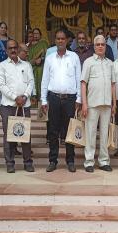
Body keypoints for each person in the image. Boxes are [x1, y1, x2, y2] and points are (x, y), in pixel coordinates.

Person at [41, 29, 81, 173]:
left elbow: (78, 78)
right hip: (54, 98)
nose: (60, 41)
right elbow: (45, 79)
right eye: (57, 39)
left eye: (62, 39)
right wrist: (43, 100)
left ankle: (70, 161)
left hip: (70, 99)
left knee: (69, 131)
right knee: (53, 131)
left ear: (67, 40)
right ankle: (53, 160)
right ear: (55, 40)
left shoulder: (74, 57)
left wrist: (79, 99)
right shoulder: (50, 58)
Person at [0, 39, 35, 173]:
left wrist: (24, 96)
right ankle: (10, 163)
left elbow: (31, 82)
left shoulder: (26, 65)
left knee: (26, 135)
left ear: (18, 49)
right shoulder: (2, 66)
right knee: (9, 136)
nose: (13, 50)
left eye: (15, 48)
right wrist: (15, 97)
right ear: (6, 50)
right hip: (8, 105)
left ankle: (28, 162)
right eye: (10, 48)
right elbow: (1, 85)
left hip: (24, 105)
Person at [81, 35, 116, 172]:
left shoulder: (110, 63)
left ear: (105, 47)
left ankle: (103, 161)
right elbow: (83, 84)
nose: (100, 46)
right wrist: (84, 103)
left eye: (103, 44)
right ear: (94, 47)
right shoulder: (88, 62)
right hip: (92, 104)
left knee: (104, 134)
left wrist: (114, 103)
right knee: (90, 134)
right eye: (98, 44)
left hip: (107, 104)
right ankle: (89, 162)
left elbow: (113, 84)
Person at [29, 28, 49, 99]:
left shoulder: (43, 43)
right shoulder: (30, 46)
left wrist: (41, 58)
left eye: (37, 34)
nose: (35, 35)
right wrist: (34, 61)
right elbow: (28, 60)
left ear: (40, 35)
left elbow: (48, 55)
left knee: (41, 87)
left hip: (42, 70)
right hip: (33, 70)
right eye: (34, 34)